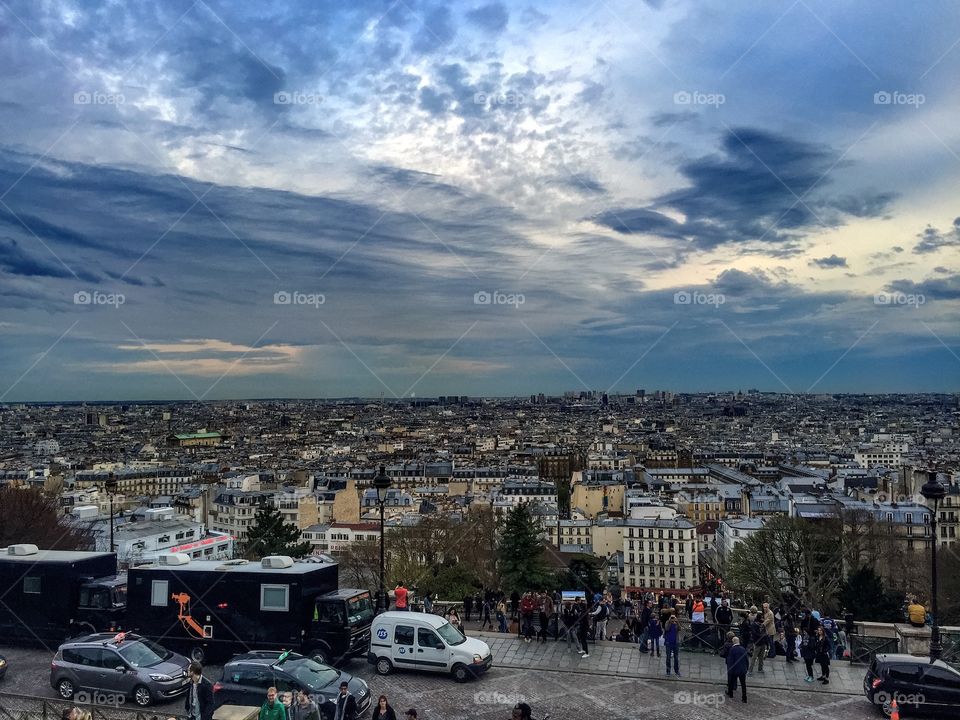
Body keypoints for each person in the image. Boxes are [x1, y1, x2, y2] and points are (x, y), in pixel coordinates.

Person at [725, 636, 749, 703]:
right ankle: (744, 697)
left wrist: (730, 670)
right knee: (743, 684)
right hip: (742, 670)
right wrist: (746, 668)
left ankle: (730, 693)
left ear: (733, 642)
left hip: (735, 670)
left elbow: (731, 661)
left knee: (731, 681)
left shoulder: (732, 650)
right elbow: (746, 660)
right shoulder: (743, 649)